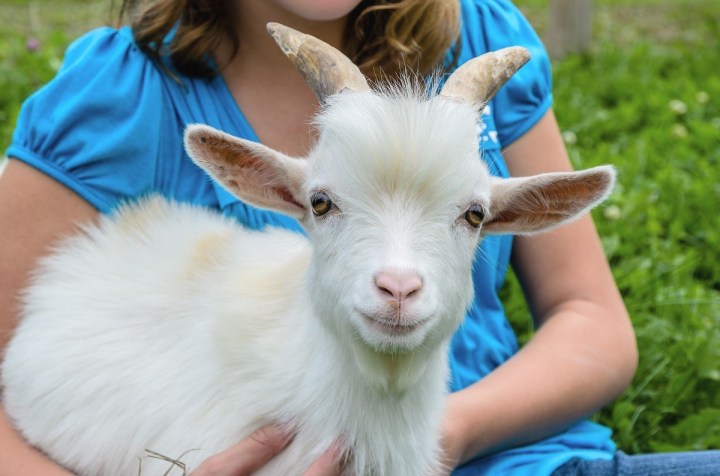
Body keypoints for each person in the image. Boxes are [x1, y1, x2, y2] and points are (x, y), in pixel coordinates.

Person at [0, 0, 717, 475]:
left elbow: (593, 320)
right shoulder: (118, 96)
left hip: (534, 461)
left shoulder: (482, 31)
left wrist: (439, 438)